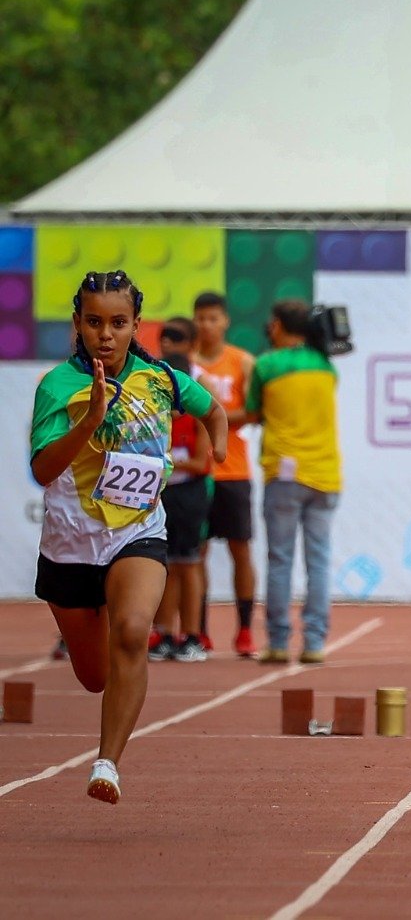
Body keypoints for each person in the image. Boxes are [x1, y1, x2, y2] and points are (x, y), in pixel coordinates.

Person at [31, 271, 225, 803]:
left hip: (136, 531)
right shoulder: (58, 387)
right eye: (94, 322)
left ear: (136, 324)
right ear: (78, 324)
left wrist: (220, 444)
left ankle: (107, 764)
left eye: (118, 322)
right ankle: (104, 721)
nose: (106, 334)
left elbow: (212, 408)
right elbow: (45, 471)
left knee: (135, 630)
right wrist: (90, 417)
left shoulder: (161, 377)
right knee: (95, 677)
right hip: (70, 543)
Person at [247, 300, 342, 666]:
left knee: (280, 559)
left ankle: (278, 642)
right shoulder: (327, 367)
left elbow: (254, 411)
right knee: (318, 560)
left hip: (284, 474)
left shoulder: (266, 364)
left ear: (277, 326)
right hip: (326, 474)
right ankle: (315, 642)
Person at [191, 292, 259, 658]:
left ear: (225, 320)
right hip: (197, 473)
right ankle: (198, 630)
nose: (207, 325)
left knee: (240, 551)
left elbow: (252, 412)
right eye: (200, 318)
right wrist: (218, 414)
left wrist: (210, 414)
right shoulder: (186, 365)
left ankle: (245, 629)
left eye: (213, 318)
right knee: (194, 555)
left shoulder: (242, 362)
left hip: (234, 471)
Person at [149, 317, 215, 664]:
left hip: (189, 494)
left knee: (188, 564)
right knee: (164, 566)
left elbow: (202, 463)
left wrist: (167, 460)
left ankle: (192, 635)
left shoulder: (196, 411)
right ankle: (163, 633)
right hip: (161, 493)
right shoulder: (155, 414)